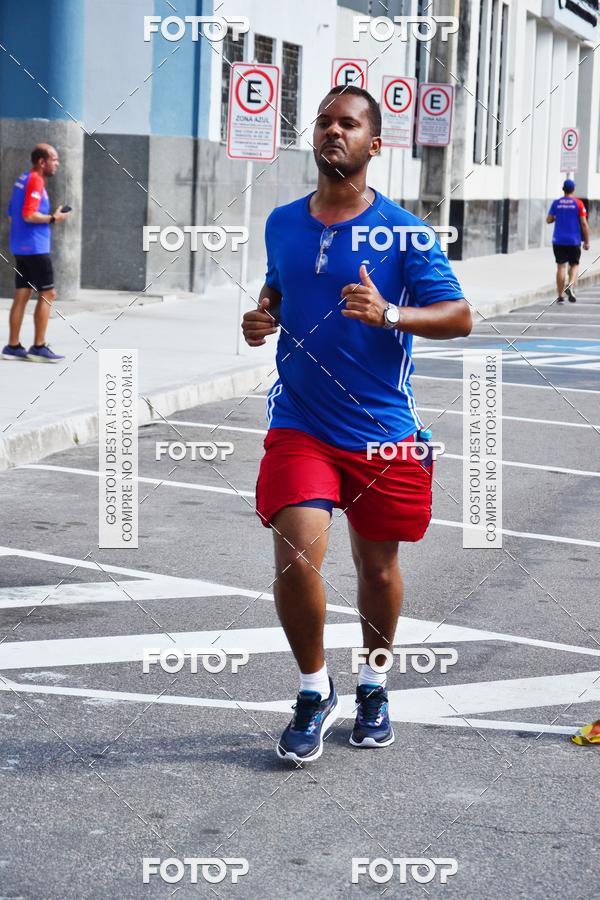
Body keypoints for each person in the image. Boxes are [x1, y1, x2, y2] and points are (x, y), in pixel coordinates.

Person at [242, 85, 471, 763]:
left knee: (377, 569)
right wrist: (263, 315)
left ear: (375, 144)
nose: (332, 131)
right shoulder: (282, 221)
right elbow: (278, 286)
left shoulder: (403, 231)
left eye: (348, 123)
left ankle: (374, 683)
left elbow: (459, 316)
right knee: (295, 553)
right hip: (301, 421)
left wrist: (390, 314)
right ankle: (314, 690)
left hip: (380, 429)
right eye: (324, 122)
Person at [2, 144, 69, 362]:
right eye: (54, 159)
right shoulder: (36, 181)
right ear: (42, 161)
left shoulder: (22, 179)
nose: (57, 163)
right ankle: (39, 347)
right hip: (35, 248)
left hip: (20, 246)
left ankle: (13, 346)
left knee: (22, 293)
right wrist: (53, 218)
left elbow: (11, 214)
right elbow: (29, 214)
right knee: (48, 293)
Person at [546, 178, 590, 304]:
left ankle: (560, 296)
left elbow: (548, 220)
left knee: (561, 266)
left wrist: (556, 218)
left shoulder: (556, 203)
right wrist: (587, 241)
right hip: (574, 240)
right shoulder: (579, 204)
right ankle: (570, 286)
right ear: (573, 189)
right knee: (574, 265)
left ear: (563, 189)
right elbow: (584, 223)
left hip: (558, 240)